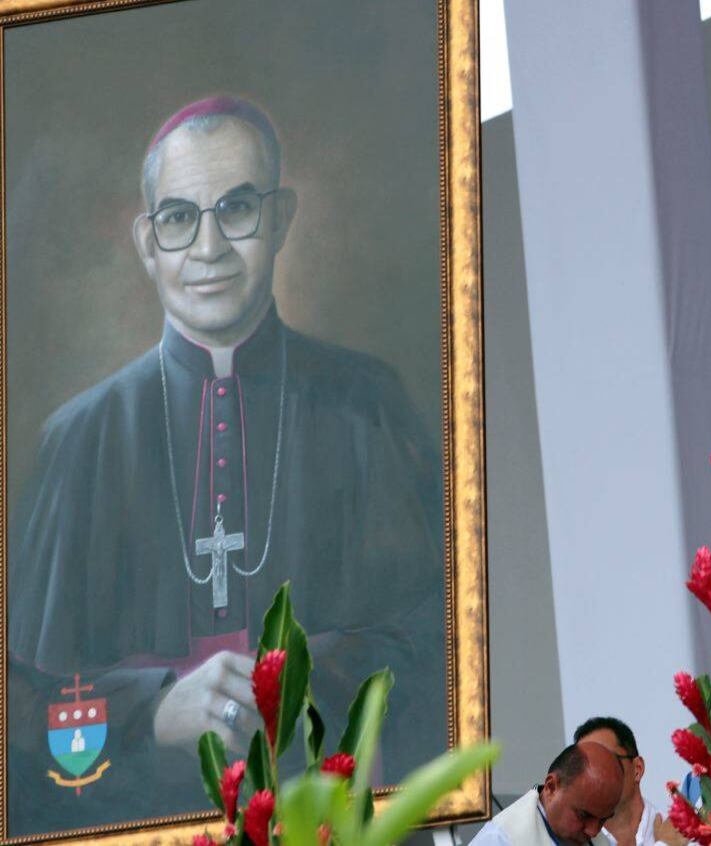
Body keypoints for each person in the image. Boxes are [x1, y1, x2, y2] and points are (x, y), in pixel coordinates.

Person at [7, 96, 445, 834]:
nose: (208, 247)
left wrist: (297, 681)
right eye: (179, 218)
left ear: (281, 219)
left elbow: (438, 646)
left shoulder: (367, 407)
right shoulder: (78, 441)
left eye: (236, 209)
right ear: (147, 243)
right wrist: (153, 710)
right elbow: (22, 712)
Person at [470, 742, 624, 846]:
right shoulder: (499, 840)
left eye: (603, 820)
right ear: (551, 787)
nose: (593, 831)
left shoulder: (605, 842)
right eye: (584, 815)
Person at [573, 716, 687, 846]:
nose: (593, 774)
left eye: (605, 761)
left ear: (637, 769)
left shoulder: (680, 835)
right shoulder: (573, 841)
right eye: (583, 767)